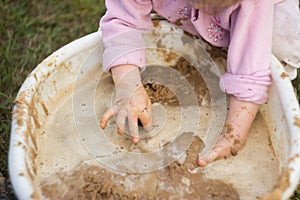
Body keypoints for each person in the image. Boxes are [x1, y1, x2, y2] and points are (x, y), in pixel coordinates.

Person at [99, 0, 300, 167]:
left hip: (266, 15)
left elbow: (251, 67)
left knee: (278, 43)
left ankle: (273, 73)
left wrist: (234, 135)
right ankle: (202, 26)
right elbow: (122, 22)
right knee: (122, 35)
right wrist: (128, 85)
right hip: (183, 12)